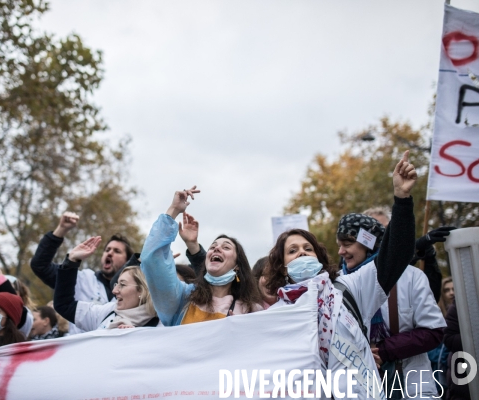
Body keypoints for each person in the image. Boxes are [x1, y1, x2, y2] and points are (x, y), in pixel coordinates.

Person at [264, 151, 418, 398]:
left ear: (319, 257)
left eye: (308, 248)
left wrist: (402, 199)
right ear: (283, 266)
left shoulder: (349, 288)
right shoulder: (275, 316)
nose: (302, 253)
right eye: (292, 251)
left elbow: (395, 254)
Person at [337, 213, 445, 398]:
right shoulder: (338, 284)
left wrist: (383, 351)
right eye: (340, 245)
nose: (341, 251)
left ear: (369, 244)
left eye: (347, 244)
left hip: (410, 385)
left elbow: (433, 331)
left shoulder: (410, 277)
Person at [141, 186, 262, 326]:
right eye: (213, 246)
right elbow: (152, 260)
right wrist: (173, 210)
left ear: (237, 267)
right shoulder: (183, 298)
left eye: (226, 247)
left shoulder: (252, 311)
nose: (216, 248)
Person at [54, 236, 158, 330]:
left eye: (122, 284)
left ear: (141, 290)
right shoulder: (106, 312)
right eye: (107, 250)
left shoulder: (162, 323)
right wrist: (71, 261)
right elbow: (64, 305)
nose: (114, 291)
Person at [31, 212, 133, 305]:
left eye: (117, 251)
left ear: (127, 261)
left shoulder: (134, 291)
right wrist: (61, 229)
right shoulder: (82, 280)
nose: (110, 253)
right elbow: (40, 266)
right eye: (107, 250)